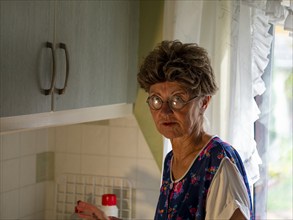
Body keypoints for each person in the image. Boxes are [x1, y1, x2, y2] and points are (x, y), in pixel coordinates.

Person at [75, 40, 253, 220]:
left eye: (177, 99)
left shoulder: (219, 162)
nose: (165, 111)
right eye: (156, 100)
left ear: (203, 103)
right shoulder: (171, 160)